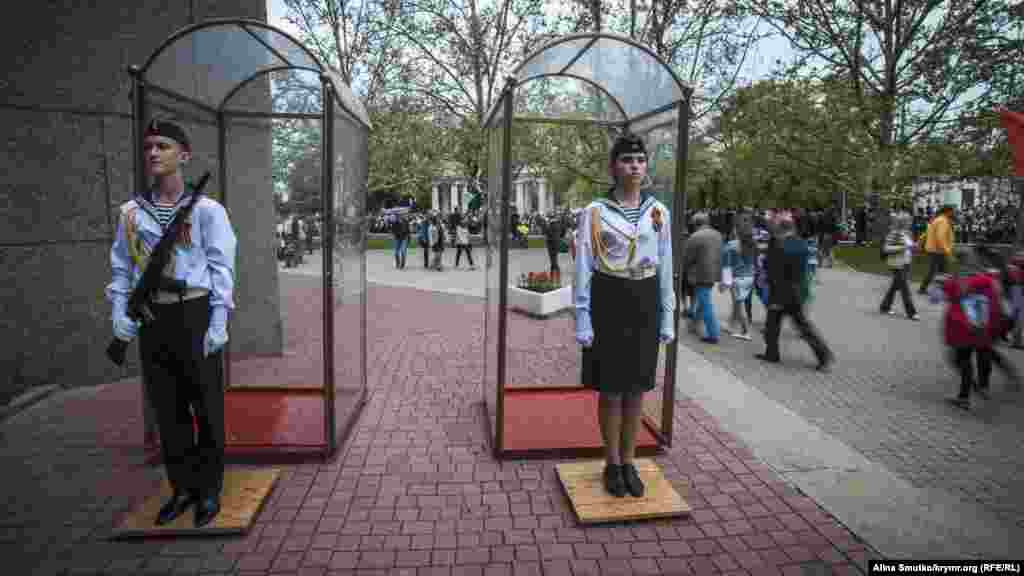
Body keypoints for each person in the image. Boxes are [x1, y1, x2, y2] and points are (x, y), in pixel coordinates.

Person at [106, 120, 237, 527]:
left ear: (183, 155)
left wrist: (219, 319)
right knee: (168, 408)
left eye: (162, 146)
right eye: (148, 146)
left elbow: (221, 267)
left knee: (206, 406)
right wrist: (118, 312)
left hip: (194, 312)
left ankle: (209, 490)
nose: (153, 153)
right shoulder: (131, 213)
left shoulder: (207, 211)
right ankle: (182, 488)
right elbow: (122, 267)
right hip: (153, 316)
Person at [575, 133, 674, 498]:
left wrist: (668, 314)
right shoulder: (595, 212)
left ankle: (630, 461)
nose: (635, 166)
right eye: (627, 160)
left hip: (645, 298)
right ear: (613, 167)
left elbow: (666, 264)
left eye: (640, 160)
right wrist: (582, 316)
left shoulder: (658, 212)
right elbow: (584, 264)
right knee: (611, 388)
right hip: (609, 297)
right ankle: (612, 462)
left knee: (637, 389)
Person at [756, 212, 834, 371]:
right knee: (803, 327)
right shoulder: (800, 244)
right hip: (796, 291)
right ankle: (824, 355)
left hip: (780, 292)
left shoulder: (779, 245)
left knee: (773, 325)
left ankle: (772, 353)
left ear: (780, 228)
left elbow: (773, 270)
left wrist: (769, 285)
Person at [683, 212, 723, 344]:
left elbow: (687, 258)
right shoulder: (717, 234)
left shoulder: (695, 237)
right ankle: (694, 325)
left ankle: (713, 334)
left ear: (695, 224)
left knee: (706, 303)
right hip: (713, 273)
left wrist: (683, 269)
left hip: (700, 274)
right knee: (703, 300)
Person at [721, 213, 756, 340]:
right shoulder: (752, 244)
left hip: (737, 278)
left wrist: (724, 283)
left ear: (736, 230)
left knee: (739, 306)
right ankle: (730, 325)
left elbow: (726, 266)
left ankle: (745, 331)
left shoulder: (731, 245)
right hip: (749, 277)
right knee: (737, 303)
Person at [880, 213, 919, 320]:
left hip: (906, 263)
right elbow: (886, 248)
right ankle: (912, 312)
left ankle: (885, 306)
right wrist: (903, 248)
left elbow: (909, 247)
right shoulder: (895, 233)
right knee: (905, 289)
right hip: (897, 265)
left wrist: (914, 247)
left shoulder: (908, 233)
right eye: (908, 221)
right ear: (903, 222)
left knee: (894, 287)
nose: (910, 223)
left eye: (910, 221)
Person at [918, 205, 955, 294]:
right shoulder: (943, 221)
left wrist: (920, 241)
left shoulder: (937, 220)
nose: (953, 213)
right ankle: (927, 289)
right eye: (952, 211)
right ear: (948, 212)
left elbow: (926, 233)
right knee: (939, 271)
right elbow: (940, 237)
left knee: (940, 270)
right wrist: (947, 250)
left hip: (935, 249)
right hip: (938, 250)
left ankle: (936, 289)